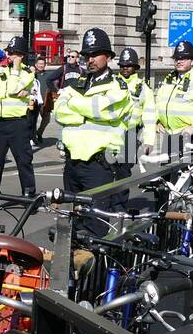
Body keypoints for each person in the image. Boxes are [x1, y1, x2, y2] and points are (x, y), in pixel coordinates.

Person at [53, 28, 133, 230]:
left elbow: (105, 112)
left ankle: (96, 261)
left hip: (98, 166)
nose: (90, 59)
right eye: (87, 55)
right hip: (72, 164)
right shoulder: (77, 83)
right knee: (73, 226)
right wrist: (85, 110)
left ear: (108, 57)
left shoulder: (118, 87)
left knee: (94, 228)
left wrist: (75, 104)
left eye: (95, 54)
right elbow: (59, 112)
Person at [0, 36, 36, 211]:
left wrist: (16, 74)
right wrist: (9, 92)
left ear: (22, 55)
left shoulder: (27, 73)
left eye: (15, 53)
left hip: (18, 123)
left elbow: (12, 89)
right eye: (10, 53)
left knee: (23, 161)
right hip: (0, 122)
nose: (11, 56)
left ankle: (29, 196)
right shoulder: (1, 70)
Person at [143, 41, 193, 156]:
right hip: (170, 136)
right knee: (168, 172)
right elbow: (158, 104)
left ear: (192, 61)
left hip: (192, 136)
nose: (179, 61)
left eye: (184, 58)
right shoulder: (168, 79)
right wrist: (157, 122)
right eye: (177, 58)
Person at [116, 47, 151, 152]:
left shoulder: (143, 88)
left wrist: (149, 141)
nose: (125, 68)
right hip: (111, 133)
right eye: (122, 65)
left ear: (135, 67)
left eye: (129, 65)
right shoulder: (111, 83)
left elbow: (150, 115)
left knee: (125, 166)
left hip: (131, 134)